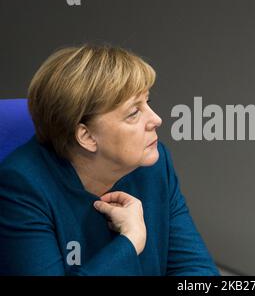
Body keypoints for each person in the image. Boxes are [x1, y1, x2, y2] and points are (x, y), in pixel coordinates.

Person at [0, 44, 220, 276]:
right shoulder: (21, 188)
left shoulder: (151, 164)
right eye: (134, 112)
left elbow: (197, 271)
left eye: (148, 102)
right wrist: (130, 241)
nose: (156, 119)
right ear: (86, 136)